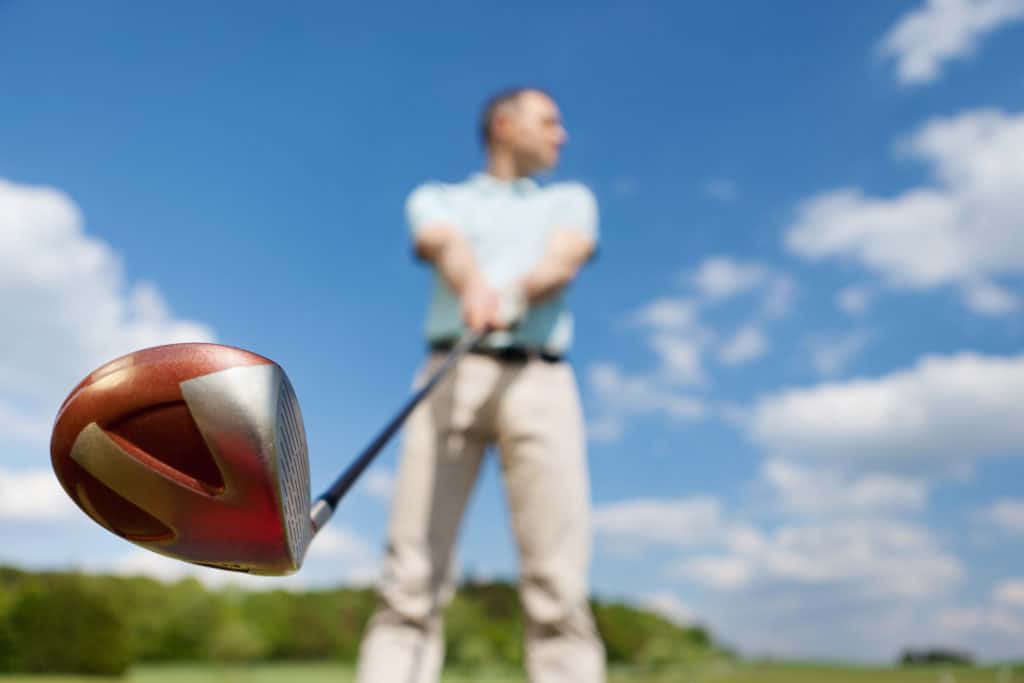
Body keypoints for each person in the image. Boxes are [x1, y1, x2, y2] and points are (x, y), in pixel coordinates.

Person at [355, 87, 605, 683]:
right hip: (451, 374)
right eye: (550, 120)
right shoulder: (438, 197)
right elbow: (446, 244)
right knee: (410, 577)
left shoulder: (570, 198)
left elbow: (565, 257)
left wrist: (512, 296)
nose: (562, 134)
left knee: (558, 583)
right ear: (504, 123)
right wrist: (473, 289)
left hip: (541, 380)